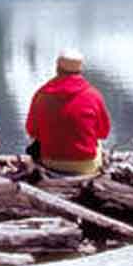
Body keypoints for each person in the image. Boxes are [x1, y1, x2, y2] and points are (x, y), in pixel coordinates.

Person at [25, 47, 110, 175]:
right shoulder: (93, 95)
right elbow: (103, 132)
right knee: (97, 142)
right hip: (85, 165)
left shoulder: (41, 94)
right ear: (80, 70)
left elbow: (31, 130)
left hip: (50, 161)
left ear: (57, 69)